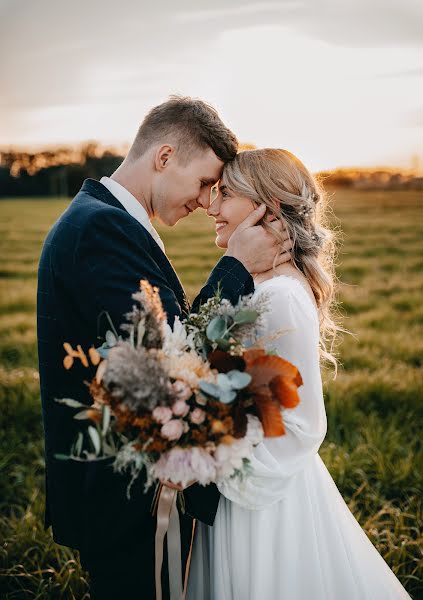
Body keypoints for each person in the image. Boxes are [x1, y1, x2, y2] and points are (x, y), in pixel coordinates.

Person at [36, 98, 292, 600]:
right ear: (164, 156)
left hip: (123, 491)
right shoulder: (99, 228)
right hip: (127, 498)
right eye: (203, 182)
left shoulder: (104, 218)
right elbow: (170, 359)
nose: (205, 201)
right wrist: (237, 266)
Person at [187, 148, 411, 600]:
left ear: (262, 207)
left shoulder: (280, 297)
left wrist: (214, 452)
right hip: (243, 481)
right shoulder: (262, 285)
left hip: (260, 498)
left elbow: (298, 422)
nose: (211, 207)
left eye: (224, 194)